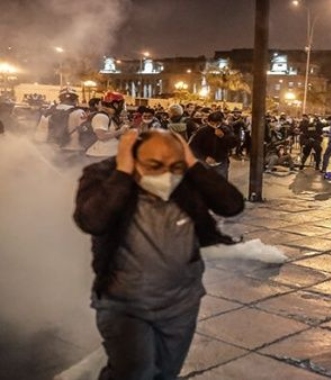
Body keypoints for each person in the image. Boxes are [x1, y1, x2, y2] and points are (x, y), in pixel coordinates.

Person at [73, 129, 244, 379]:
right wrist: (122, 171)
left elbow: (232, 205)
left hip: (181, 304)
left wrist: (191, 163)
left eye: (173, 166)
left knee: (166, 373)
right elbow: (93, 221)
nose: (165, 175)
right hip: (126, 304)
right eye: (153, 165)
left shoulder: (185, 179)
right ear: (132, 159)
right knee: (135, 372)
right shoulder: (104, 175)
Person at [189, 111, 238, 181]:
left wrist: (223, 136)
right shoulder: (202, 130)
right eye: (212, 123)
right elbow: (193, 147)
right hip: (204, 163)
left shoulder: (226, 129)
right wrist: (204, 157)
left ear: (221, 122)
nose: (215, 125)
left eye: (218, 123)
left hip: (221, 162)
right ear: (208, 121)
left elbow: (233, 144)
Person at [85, 91, 129, 159]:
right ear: (115, 104)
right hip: (100, 156)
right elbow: (101, 136)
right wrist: (120, 131)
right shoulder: (101, 116)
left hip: (108, 155)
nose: (123, 107)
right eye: (122, 104)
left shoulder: (110, 117)